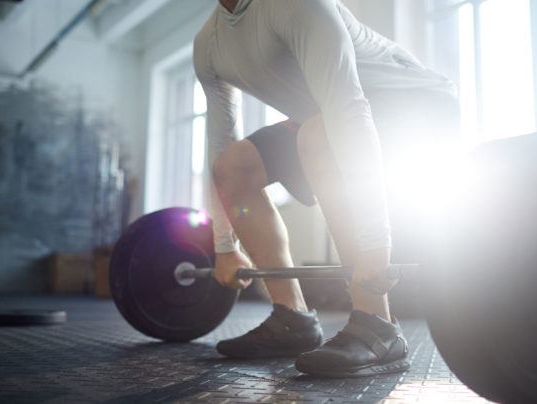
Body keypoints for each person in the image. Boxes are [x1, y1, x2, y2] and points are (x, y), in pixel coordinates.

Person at [194, 0, 459, 377]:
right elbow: (219, 143)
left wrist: (374, 245)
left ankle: (378, 327)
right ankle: (292, 320)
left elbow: (348, 108)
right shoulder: (209, 45)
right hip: (325, 113)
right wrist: (224, 247)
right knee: (232, 167)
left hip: (417, 104)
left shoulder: (298, 6)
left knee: (318, 135)